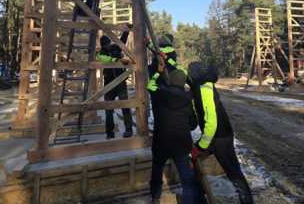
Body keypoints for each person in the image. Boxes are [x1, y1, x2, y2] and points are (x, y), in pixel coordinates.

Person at [188, 61, 254, 204]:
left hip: (220, 137)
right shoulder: (201, 85)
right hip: (215, 137)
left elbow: (211, 122)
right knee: (193, 161)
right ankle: (200, 196)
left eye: (189, 74)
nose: (188, 76)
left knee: (233, 172)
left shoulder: (204, 89)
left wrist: (200, 146)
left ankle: (247, 200)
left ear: (195, 75)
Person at [147, 55, 204, 204]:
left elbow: (150, 85)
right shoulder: (187, 100)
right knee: (186, 176)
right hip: (181, 142)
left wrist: (158, 73)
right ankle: (189, 200)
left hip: (161, 141)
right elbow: (193, 124)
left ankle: (155, 196)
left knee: (157, 169)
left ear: (170, 80)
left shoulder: (160, 93)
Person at [97, 29, 133, 139]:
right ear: (103, 45)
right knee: (109, 109)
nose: (108, 46)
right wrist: (116, 59)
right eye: (106, 45)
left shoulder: (114, 48)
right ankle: (110, 132)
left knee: (125, 107)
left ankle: (128, 130)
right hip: (109, 84)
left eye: (108, 44)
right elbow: (105, 59)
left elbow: (122, 41)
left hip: (120, 82)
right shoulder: (101, 53)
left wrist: (126, 31)